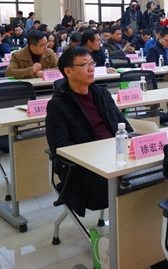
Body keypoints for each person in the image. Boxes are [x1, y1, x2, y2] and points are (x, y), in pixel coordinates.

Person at [46, 47, 133, 216]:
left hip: (118, 158)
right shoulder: (58, 104)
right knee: (128, 189)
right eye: (84, 64)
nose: (91, 68)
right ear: (68, 71)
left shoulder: (102, 94)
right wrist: (97, 155)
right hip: (87, 170)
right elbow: (59, 146)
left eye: (92, 63)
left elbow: (125, 127)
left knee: (158, 177)